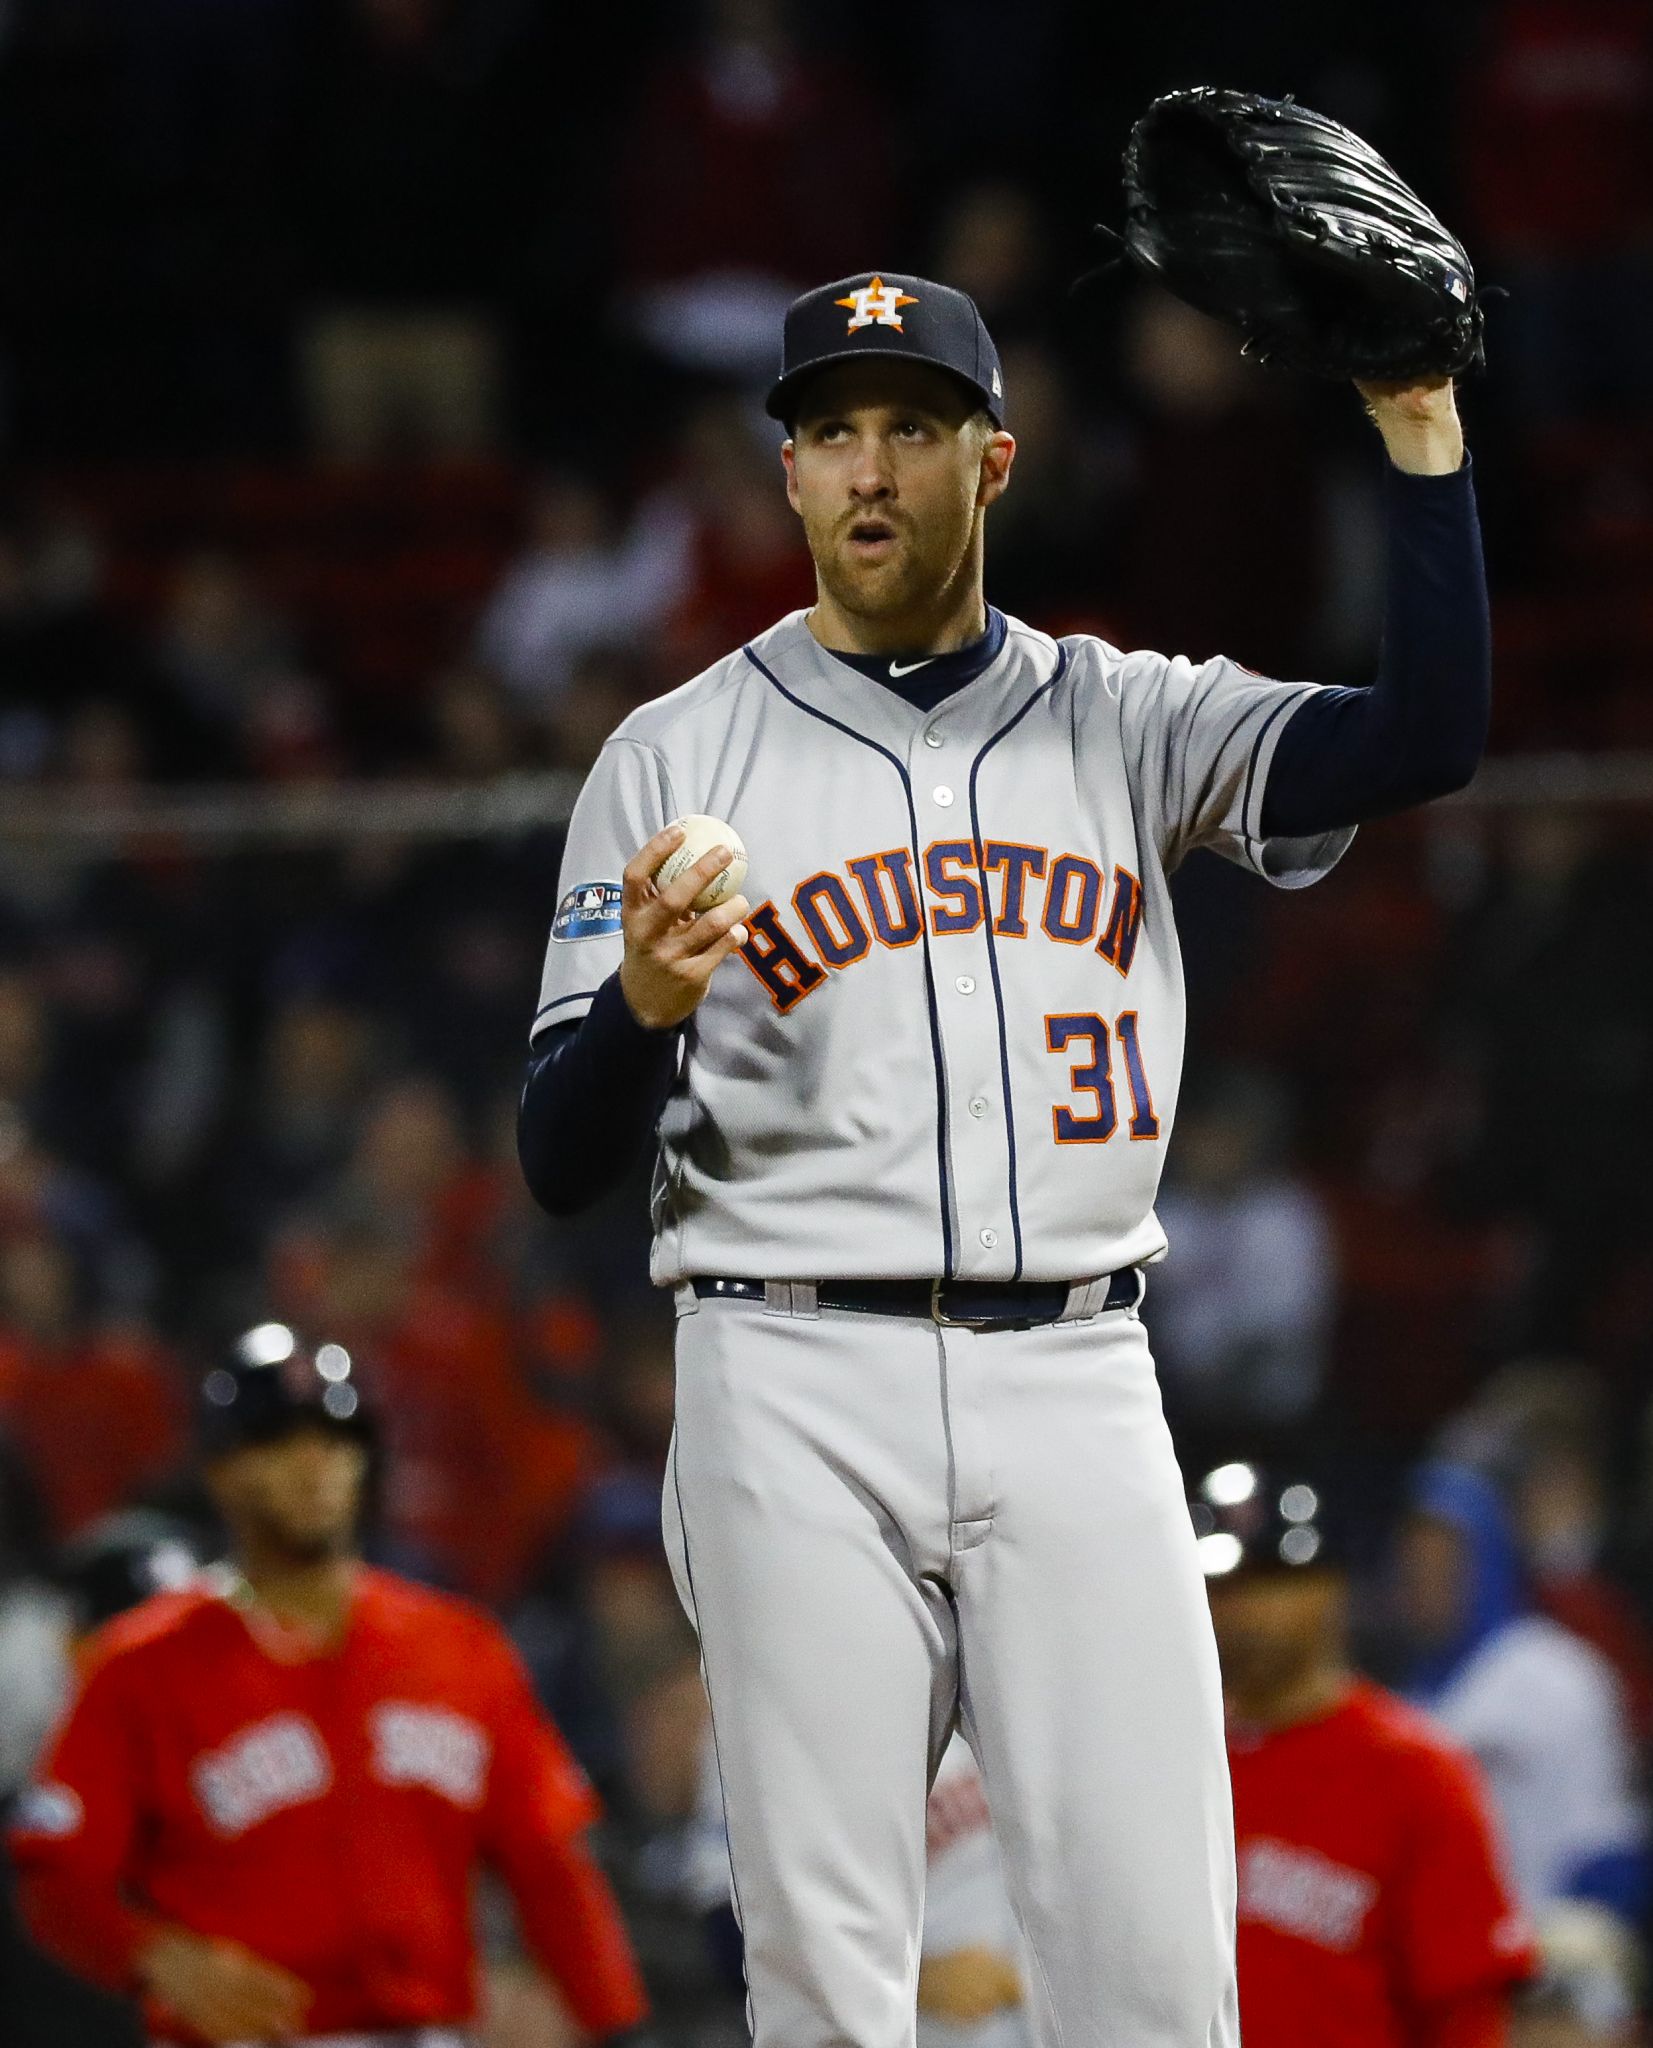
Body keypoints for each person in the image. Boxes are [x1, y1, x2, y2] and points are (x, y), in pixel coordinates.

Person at [518, 268, 1490, 2047]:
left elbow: (1421, 735)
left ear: (993, 460)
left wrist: (1418, 437)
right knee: (827, 1967)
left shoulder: (1122, 715)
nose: (867, 467)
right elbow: (559, 1154)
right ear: (791, 478)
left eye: (908, 426)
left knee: (1155, 1964)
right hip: (786, 1361)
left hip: (1076, 1363)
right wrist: (643, 1002)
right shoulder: (670, 756)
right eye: (828, 433)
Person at [7, 1323, 648, 2048]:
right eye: (276, 1444)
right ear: (221, 1472)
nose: (313, 1466)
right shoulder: (142, 1664)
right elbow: (55, 1878)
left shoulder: (458, 1647)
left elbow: (550, 1867)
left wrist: (615, 2027)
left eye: (335, 1441)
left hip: (425, 2033)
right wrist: (148, 1954)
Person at [1195, 1459, 1537, 2047]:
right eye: (1220, 1585)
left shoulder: (1417, 1771)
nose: (1236, 1609)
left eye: (1265, 1582)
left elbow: (1467, 2013)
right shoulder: (1178, 1759)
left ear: (1330, 1587)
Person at [1397, 1461, 1649, 1923]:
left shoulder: (1561, 1674)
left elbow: (1609, 1842)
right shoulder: (1402, 1699)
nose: (1424, 1579)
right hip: (1449, 1959)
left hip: (1545, 1955)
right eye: (1415, 1561)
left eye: (1443, 1560)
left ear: (1487, 1558)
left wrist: (1573, 1942)